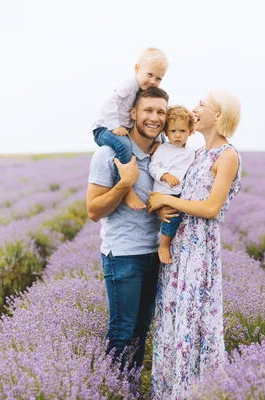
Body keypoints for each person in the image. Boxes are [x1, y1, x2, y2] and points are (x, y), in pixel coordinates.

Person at [147, 90, 242, 399]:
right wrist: (163, 204)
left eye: (202, 104)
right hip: (181, 246)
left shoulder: (227, 155)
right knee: (173, 320)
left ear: (219, 115)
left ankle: (197, 392)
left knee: (196, 321)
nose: (194, 109)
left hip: (200, 251)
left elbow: (212, 209)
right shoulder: (198, 154)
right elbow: (182, 197)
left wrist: (167, 199)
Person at [86, 87, 169, 370]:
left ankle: (130, 387)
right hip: (123, 255)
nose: (154, 118)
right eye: (148, 110)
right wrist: (124, 184)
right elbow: (93, 211)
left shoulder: (163, 156)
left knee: (140, 333)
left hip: (154, 254)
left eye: (161, 112)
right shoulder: (108, 154)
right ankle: (112, 388)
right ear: (133, 113)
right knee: (122, 333)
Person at [90, 47, 168, 210]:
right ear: (137, 69)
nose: (153, 81)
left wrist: (160, 141)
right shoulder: (129, 85)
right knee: (124, 146)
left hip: (152, 235)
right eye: (150, 75)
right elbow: (110, 103)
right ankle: (128, 190)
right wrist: (114, 127)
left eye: (158, 78)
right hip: (104, 128)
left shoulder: (143, 91)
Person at [148, 105, 196, 264]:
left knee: (184, 219)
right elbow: (153, 167)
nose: (177, 135)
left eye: (182, 131)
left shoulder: (191, 151)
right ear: (166, 132)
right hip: (165, 192)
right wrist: (165, 175)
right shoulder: (162, 149)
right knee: (172, 217)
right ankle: (164, 245)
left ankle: (178, 245)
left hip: (181, 192)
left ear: (190, 131)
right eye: (173, 131)